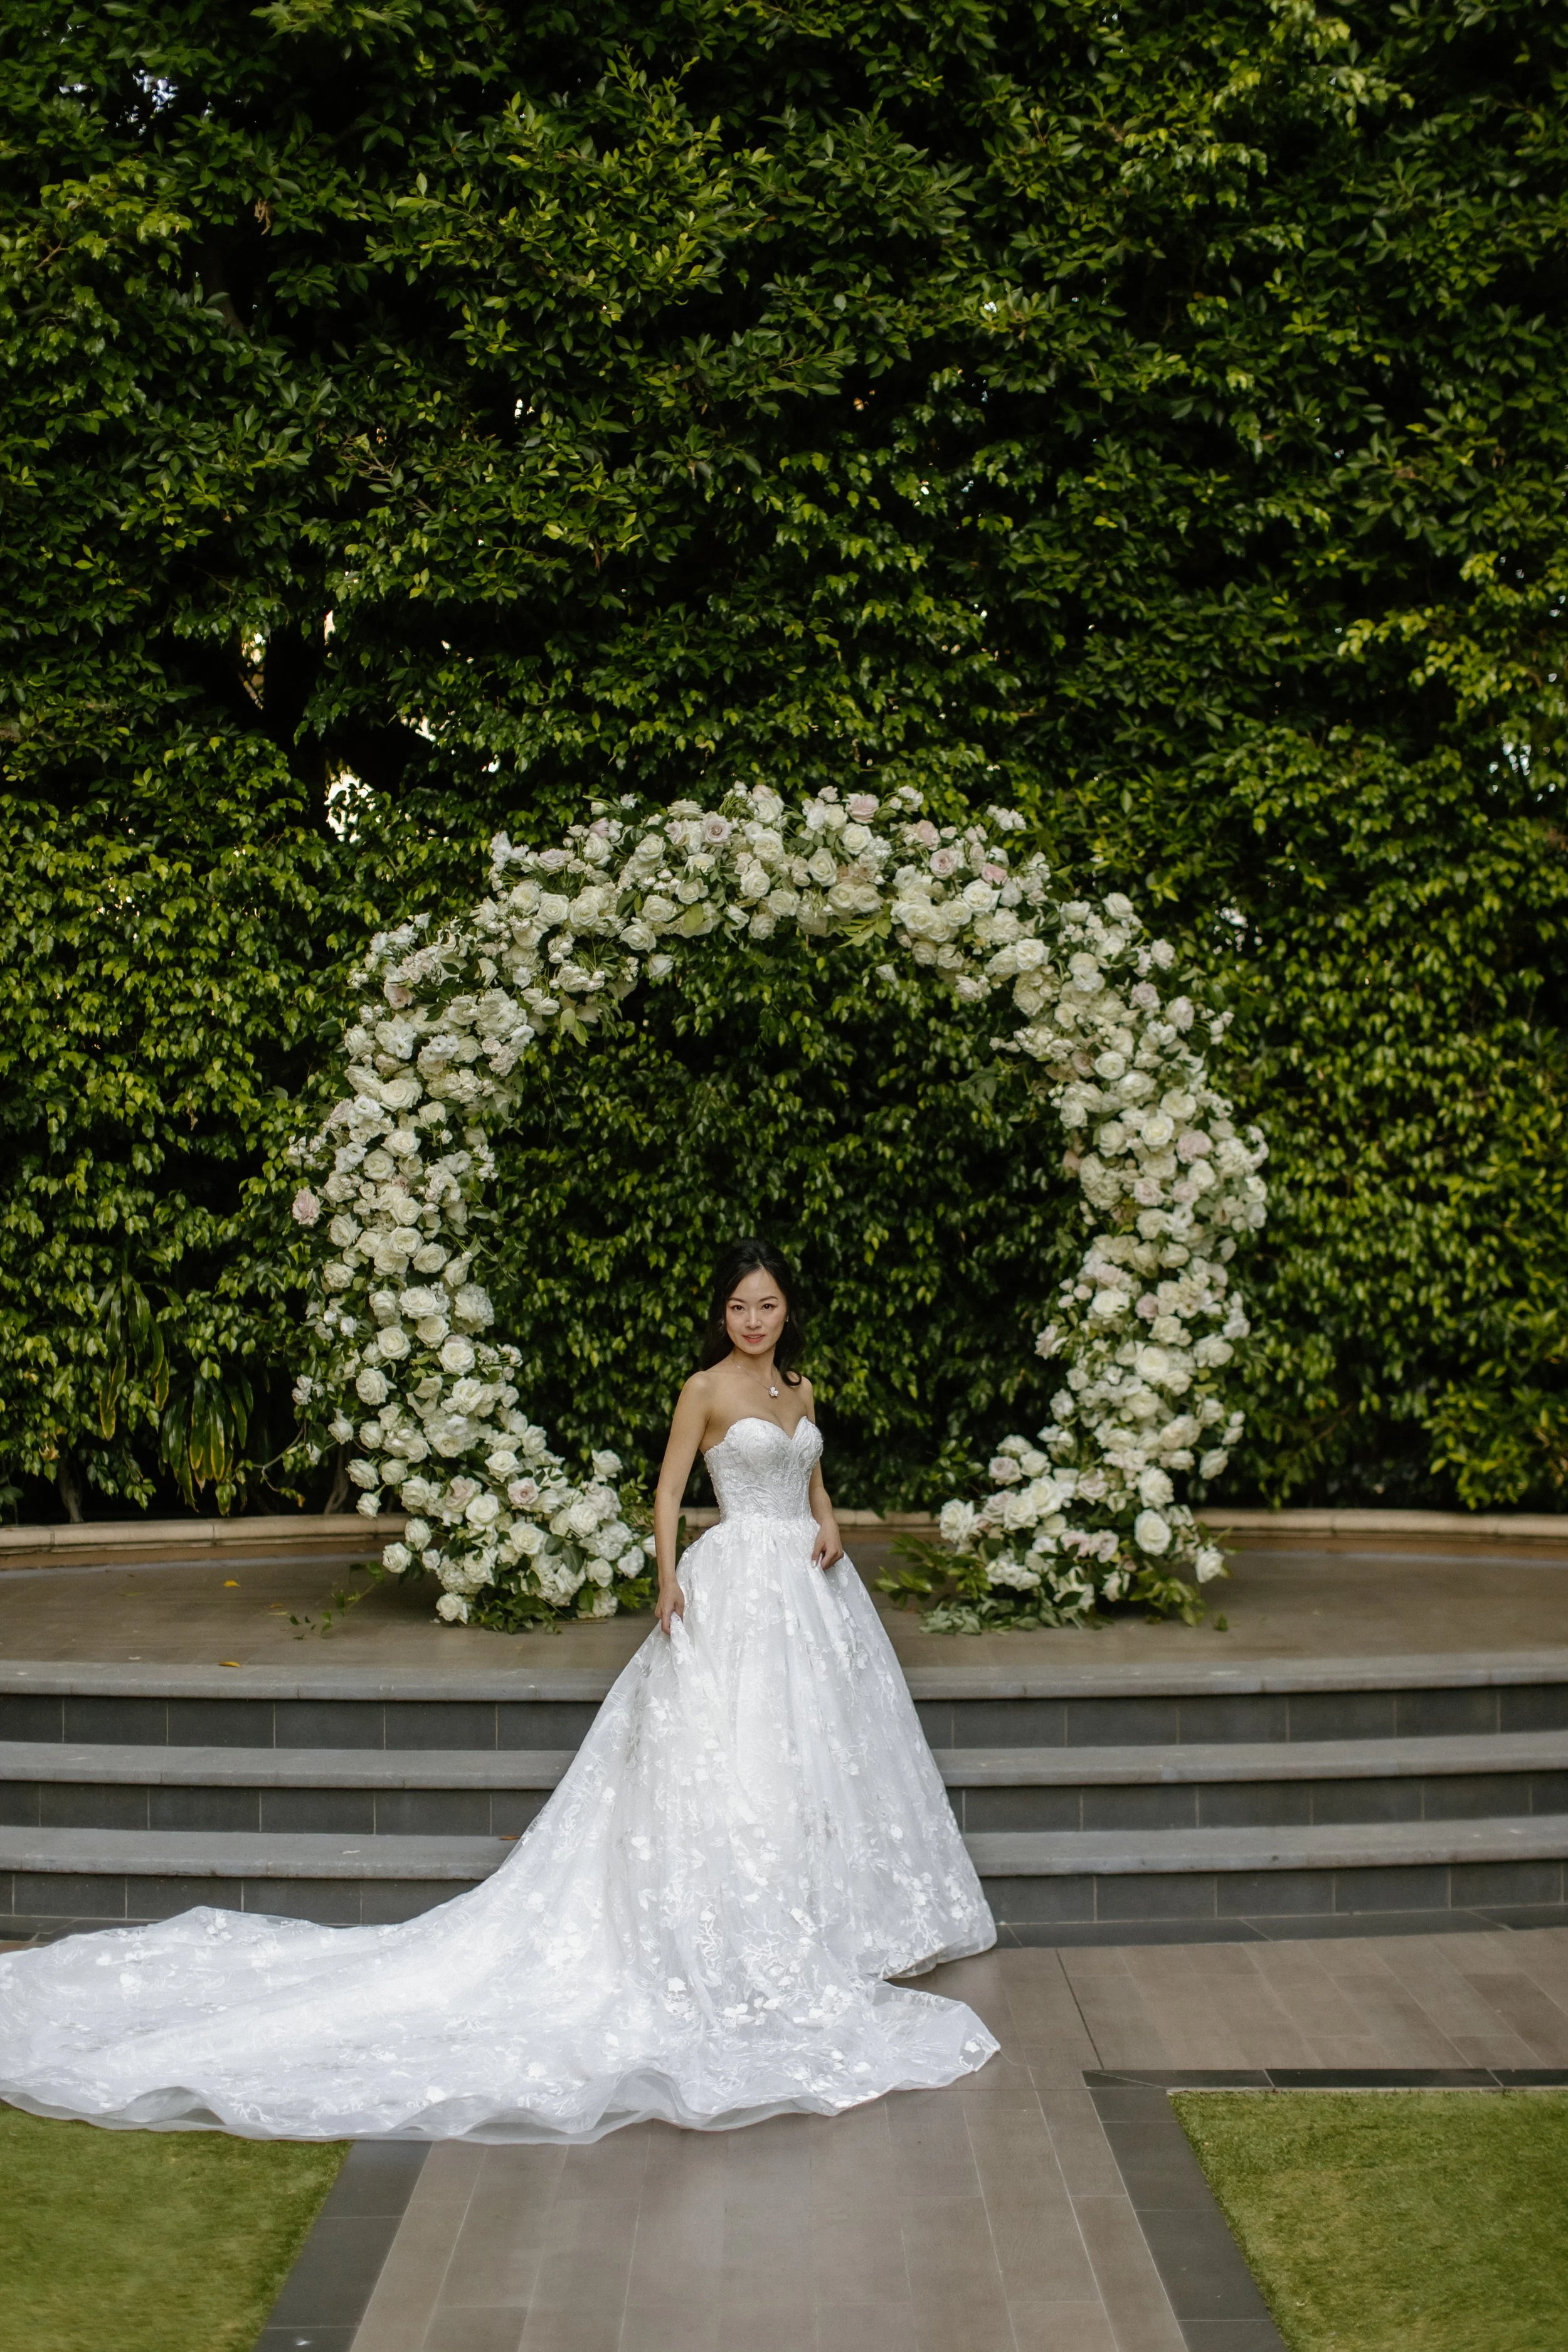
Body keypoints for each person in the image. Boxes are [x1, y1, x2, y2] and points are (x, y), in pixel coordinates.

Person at [0, 1240, 996, 2141]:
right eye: (740, 1305)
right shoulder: (705, 1390)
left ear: (788, 1310)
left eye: (767, 1304)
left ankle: (825, 1917)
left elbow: (812, 1479)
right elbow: (666, 1488)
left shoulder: (800, 1388)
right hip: (735, 1583)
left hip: (811, 1594)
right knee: (735, 1751)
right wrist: (665, 1574)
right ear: (721, 1312)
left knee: (818, 1751)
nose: (754, 1319)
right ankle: (746, 1923)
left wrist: (829, 1521)